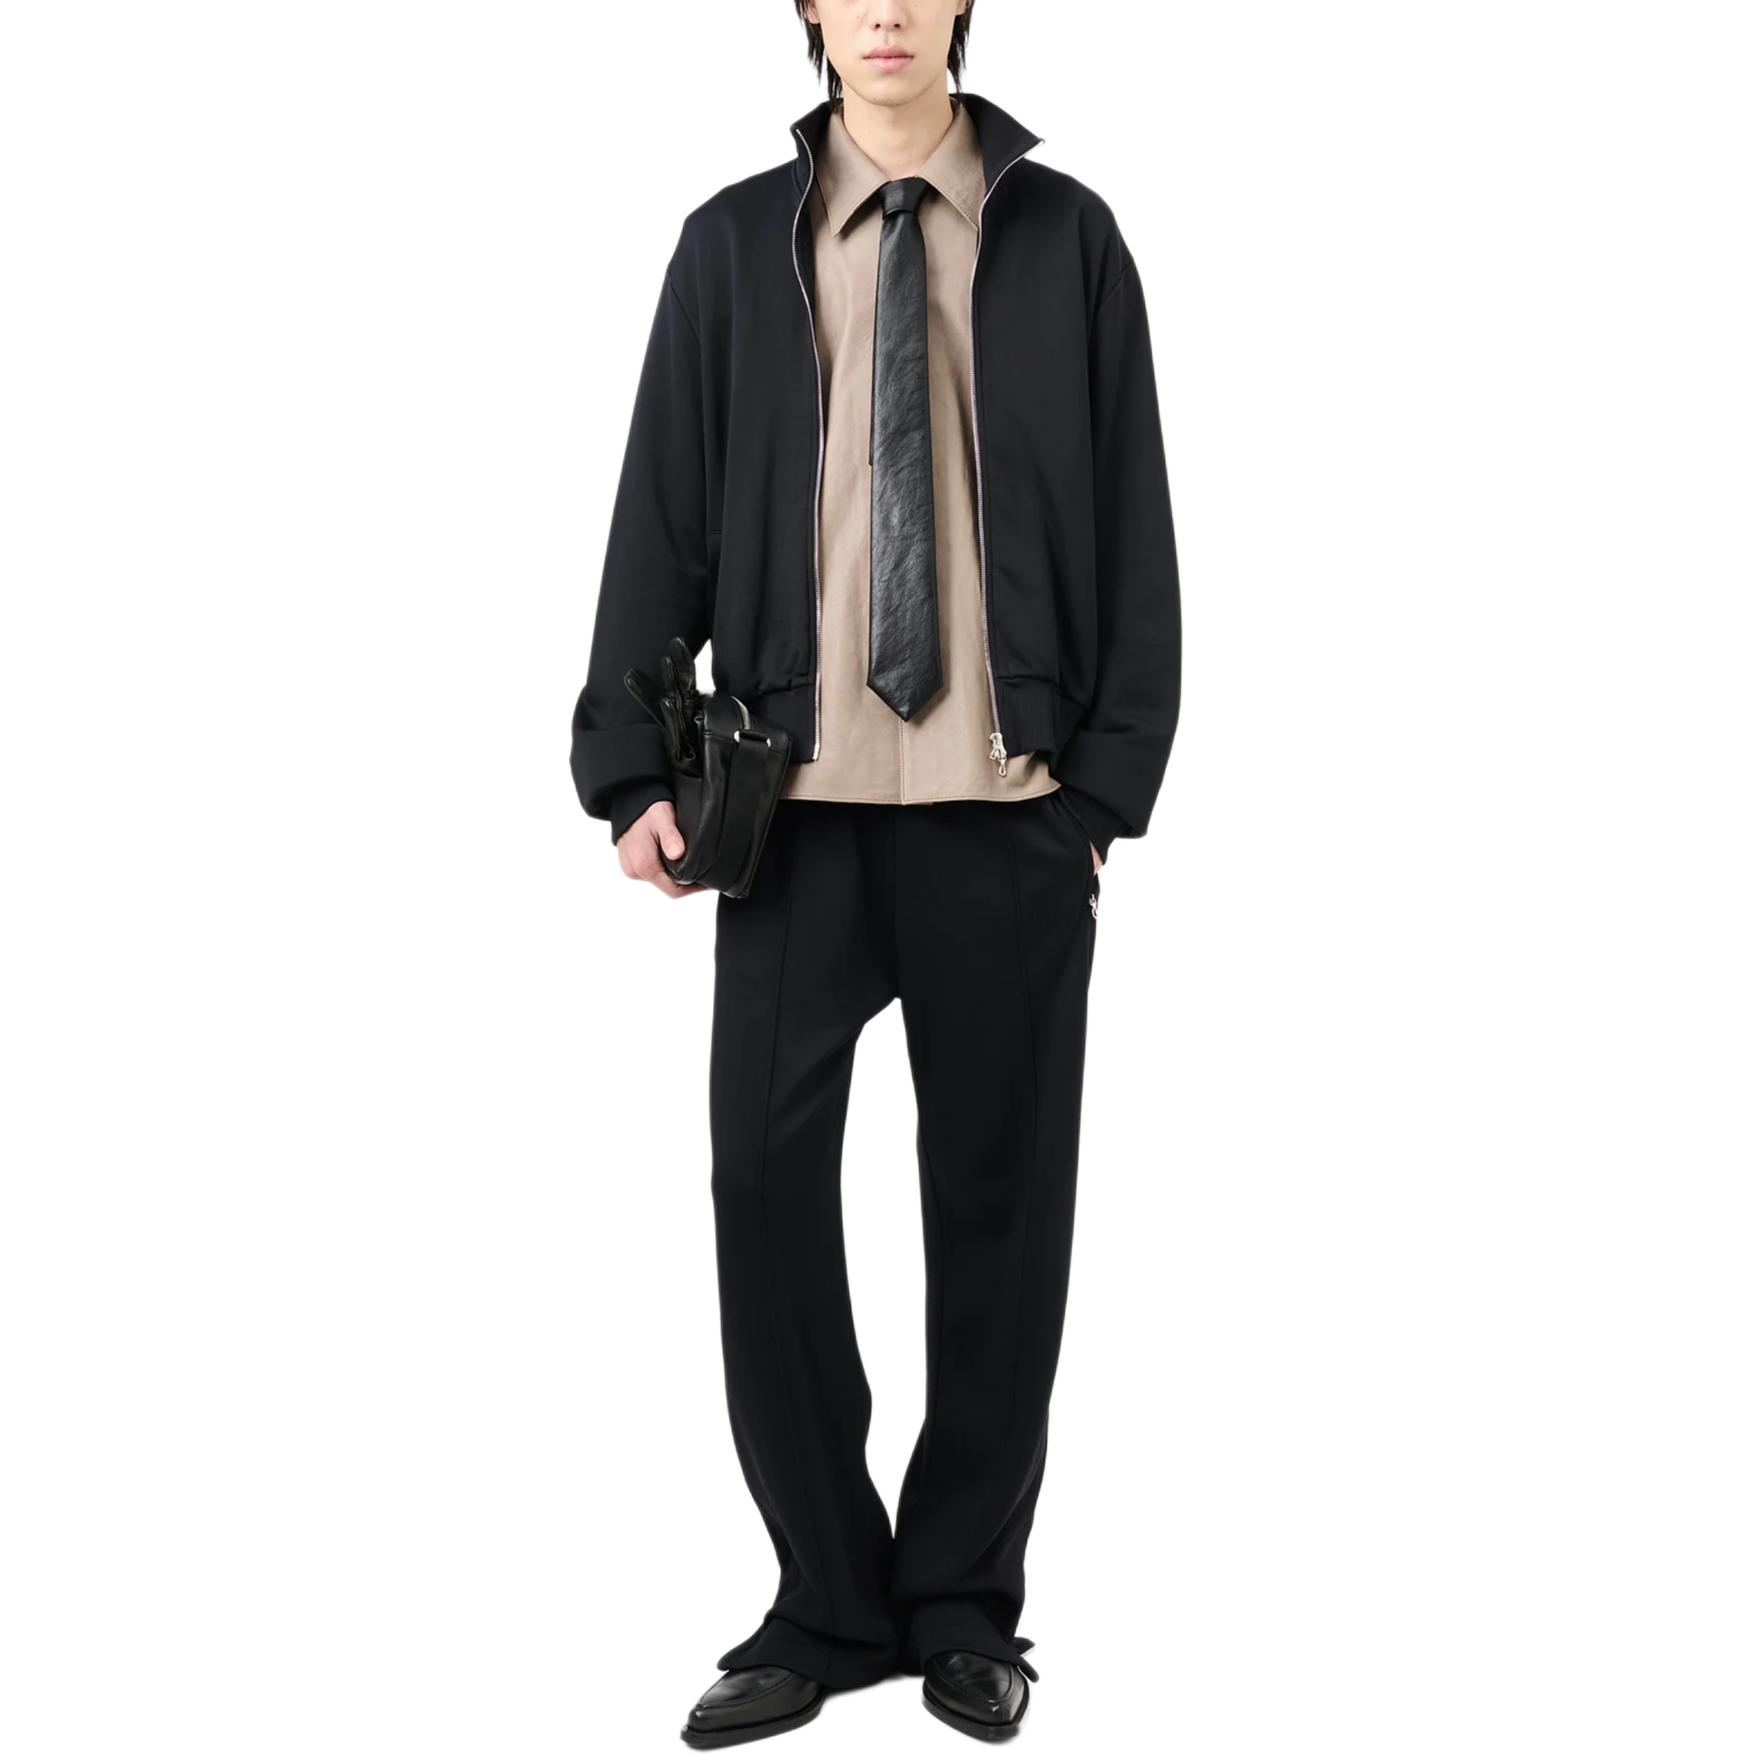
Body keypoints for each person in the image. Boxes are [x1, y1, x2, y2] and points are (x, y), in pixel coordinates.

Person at [569, 2, 1180, 1742]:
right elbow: (660, 512)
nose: (889, 11)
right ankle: (823, 1601)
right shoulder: (727, 247)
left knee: (1000, 1209)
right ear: (811, 12)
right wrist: (629, 764)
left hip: (1007, 805)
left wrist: (1099, 793)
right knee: (762, 1195)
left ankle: (965, 1603)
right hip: (795, 814)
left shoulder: (1067, 239)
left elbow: (1136, 514)